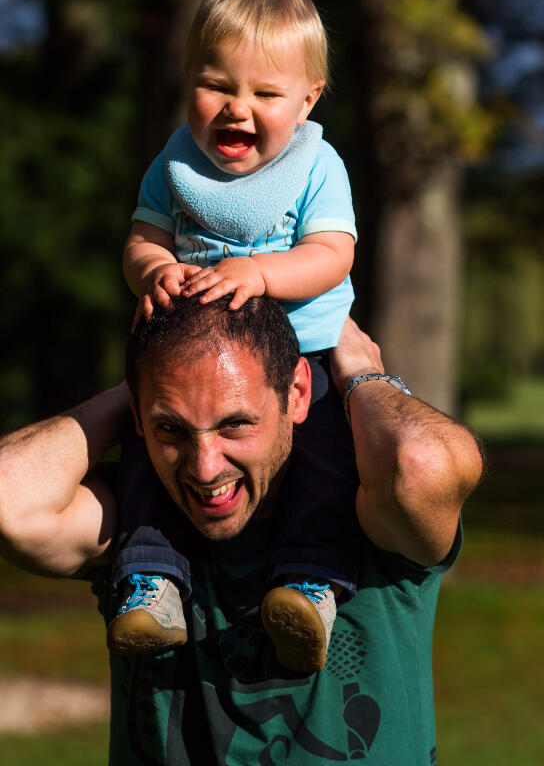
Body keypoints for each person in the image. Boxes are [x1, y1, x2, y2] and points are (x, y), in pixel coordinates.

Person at [0, 297, 483, 764]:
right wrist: (144, 383)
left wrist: (360, 375)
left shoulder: (368, 513)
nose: (205, 469)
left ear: (295, 394)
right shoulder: (139, 521)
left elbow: (423, 463)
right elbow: (9, 499)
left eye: (234, 425)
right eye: (171, 428)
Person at [117, 0, 360, 671]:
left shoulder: (317, 167)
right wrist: (154, 270)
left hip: (300, 364)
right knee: (147, 461)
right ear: (189, 77)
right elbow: (142, 237)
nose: (236, 109)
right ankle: (151, 584)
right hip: (187, 365)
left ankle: (308, 587)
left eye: (264, 94)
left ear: (308, 99)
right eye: (217, 85)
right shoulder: (175, 163)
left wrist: (261, 274)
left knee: (323, 468)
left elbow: (331, 254)